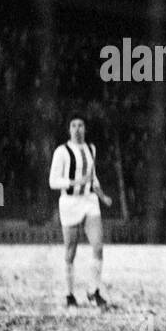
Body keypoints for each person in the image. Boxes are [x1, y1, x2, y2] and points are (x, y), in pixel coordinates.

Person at [48, 114, 113, 308]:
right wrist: (75, 182)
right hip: (69, 203)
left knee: (98, 246)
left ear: (85, 128)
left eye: (81, 125)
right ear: (69, 129)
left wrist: (102, 196)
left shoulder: (91, 149)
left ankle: (94, 290)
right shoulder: (61, 151)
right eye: (74, 125)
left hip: (89, 202)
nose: (77, 129)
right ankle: (69, 294)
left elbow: (92, 178)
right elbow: (53, 181)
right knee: (70, 251)